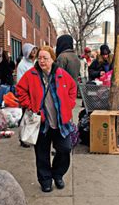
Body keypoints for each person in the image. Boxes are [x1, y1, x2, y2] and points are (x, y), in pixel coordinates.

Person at [16, 46, 77, 192]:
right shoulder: (31, 74)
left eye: (45, 58)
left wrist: (68, 105)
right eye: (40, 58)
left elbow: (72, 89)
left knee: (65, 149)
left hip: (60, 122)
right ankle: (45, 180)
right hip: (41, 123)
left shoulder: (61, 74)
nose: (42, 61)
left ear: (52, 59)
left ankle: (58, 174)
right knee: (42, 153)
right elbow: (20, 90)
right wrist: (30, 107)